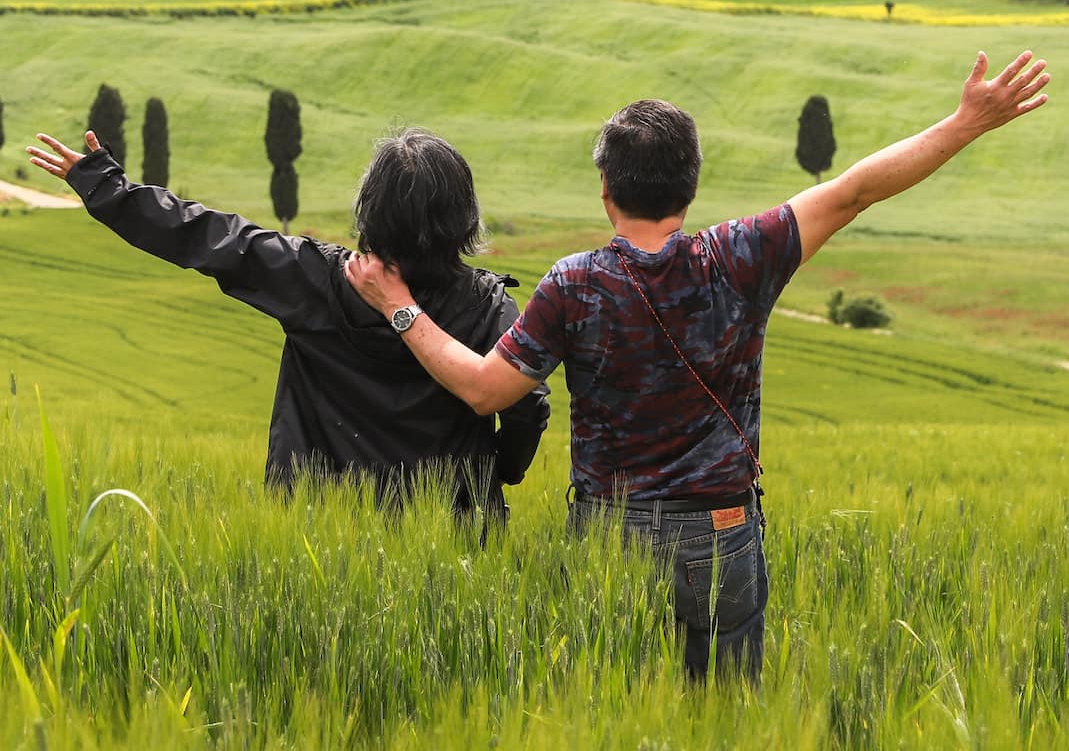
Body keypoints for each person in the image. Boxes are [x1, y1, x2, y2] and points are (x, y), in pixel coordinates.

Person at [345, 50, 1050, 680]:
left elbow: (480, 391)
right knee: (725, 723)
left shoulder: (573, 284)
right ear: (689, 186)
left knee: (613, 715)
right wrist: (964, 123)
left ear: (604, 189)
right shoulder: (742, 256)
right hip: (719, 534)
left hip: (608, 536)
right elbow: (855, 188)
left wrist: (397, 303)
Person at [26, 127, 549, 522]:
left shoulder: (314, 278)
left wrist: (104, 185)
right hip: (453, 527)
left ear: (369, 209)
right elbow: (527, 404)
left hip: (316, 526)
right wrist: (501, 469)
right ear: (464, 217)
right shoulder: (488, 306)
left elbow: (208, 238)